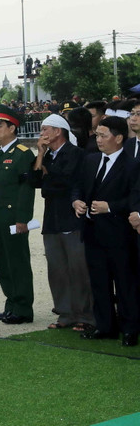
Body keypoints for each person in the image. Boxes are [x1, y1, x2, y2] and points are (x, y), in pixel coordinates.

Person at [73, 116, 140, 346]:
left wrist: (110, 207)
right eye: (97, 135)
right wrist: (76, 202)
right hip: (92, 232)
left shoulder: (132, 164)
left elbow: (134, 198)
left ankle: (130, 329)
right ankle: (105, 326)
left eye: (103, 135)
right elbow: (78, 186)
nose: (98, 139)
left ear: (118, 138)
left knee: (125, 283)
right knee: (99, 282)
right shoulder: (90, 160)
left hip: (120, 234)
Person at [32, 114, 93, 331]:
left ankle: (85, 315)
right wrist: (40, 155)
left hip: (72, 219)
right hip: (52, 220)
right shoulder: (48, 155)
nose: (41, 134)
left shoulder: (76, 153)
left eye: (45, 129)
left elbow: (66, 182)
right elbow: (34, 181)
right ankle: (65, 313)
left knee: (78, 269)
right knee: (57, 269)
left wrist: (47, 175)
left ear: (58, 131)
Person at [0, 104, 36, 325]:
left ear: (12, 128)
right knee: (3, 264)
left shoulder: (23, 154)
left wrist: (22, 219)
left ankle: (23, 308)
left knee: (18, 263)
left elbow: (26, 190)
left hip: (12, 219)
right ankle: (11, 304)